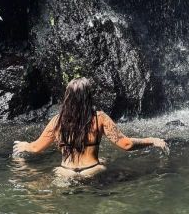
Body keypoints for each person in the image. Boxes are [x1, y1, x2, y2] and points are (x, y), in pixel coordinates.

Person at [12, 77, 168, 179]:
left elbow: (36, 147)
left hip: (64, 173)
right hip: (93, 171)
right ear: (88, 96)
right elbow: (126, 144)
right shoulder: (99, 118)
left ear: (68, 97)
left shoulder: (57, 121)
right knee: (118, 169)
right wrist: (151, 140)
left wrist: (24, 145)